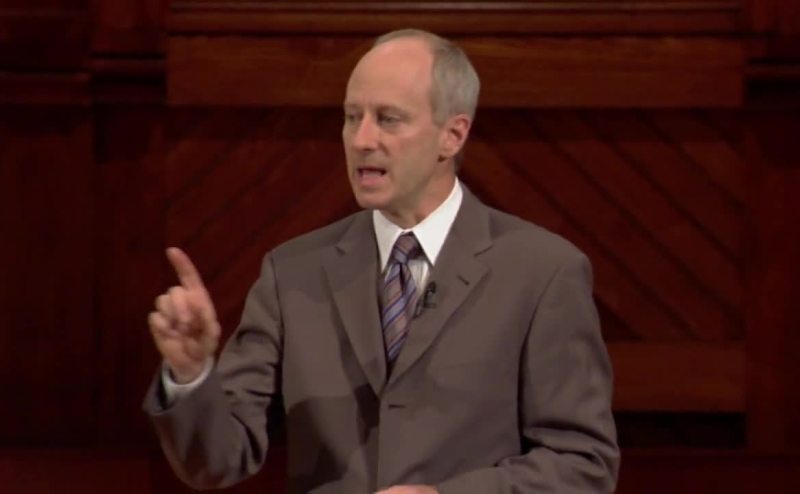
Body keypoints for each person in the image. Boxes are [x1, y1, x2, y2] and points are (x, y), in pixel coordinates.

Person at [143, 28, 619, 493]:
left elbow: (582, 466)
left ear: (453, 135)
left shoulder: (542, 272)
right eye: (352, 117)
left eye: (388, 119)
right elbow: (217, 462)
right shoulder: (293, 274)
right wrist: (192, 375)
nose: (361, 139)